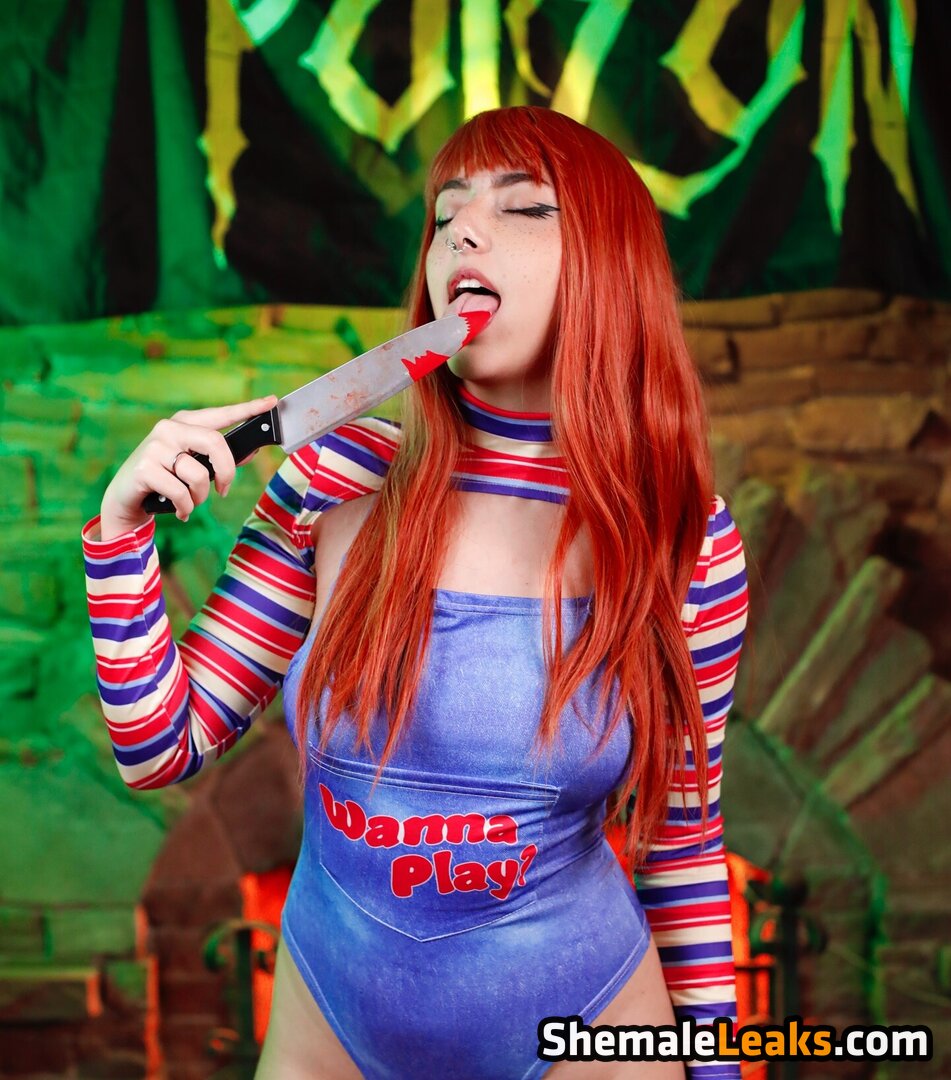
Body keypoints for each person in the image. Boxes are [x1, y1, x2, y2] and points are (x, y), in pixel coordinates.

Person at [82, 106, 748, 1079]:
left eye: (524, 208)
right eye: (446, 215)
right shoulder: (333, 476)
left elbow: (682, 849)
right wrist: (120, 536)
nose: (464, 232)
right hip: (327, 1029)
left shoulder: (686, 538)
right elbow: (158, 747)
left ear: (611, 267)